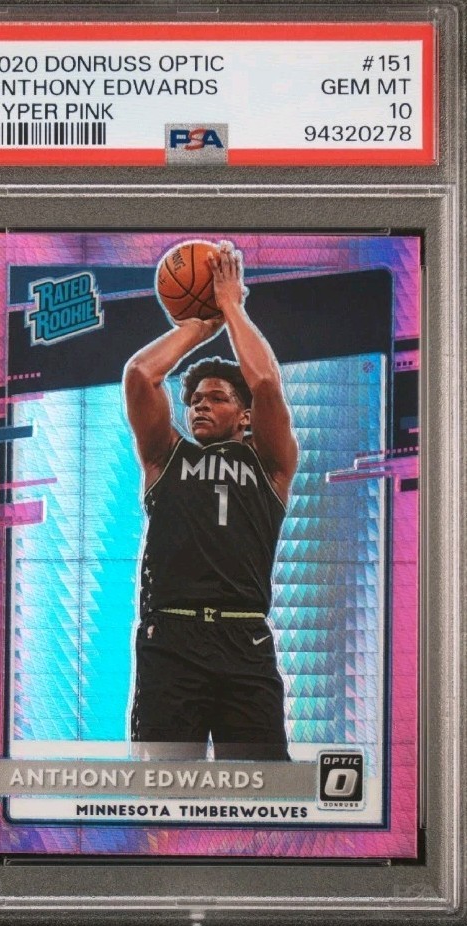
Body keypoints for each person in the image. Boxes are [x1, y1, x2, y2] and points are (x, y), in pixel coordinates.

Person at [123, 241, 299, 760]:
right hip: (170, 639)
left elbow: (265, 383)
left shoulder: (269, 463)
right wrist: (198, 327)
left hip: (244, 639)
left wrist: (231, 307)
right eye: (195, 400)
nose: (200, 405)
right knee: (162, 792)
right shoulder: (165, 456)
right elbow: (140, 375)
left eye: (217, 398)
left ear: (244, 415)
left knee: (264, 793)